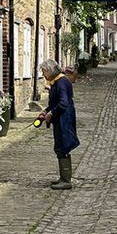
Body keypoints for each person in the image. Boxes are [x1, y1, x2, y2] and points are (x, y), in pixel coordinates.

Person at [37, 60, 79, 190]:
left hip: (64, 118)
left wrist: (51, 113)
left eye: (44, 71)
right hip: (60, 118)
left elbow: (63, 103)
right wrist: (45, 111)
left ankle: (66, 180)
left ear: (50, 70)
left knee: (63, 145)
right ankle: (63, 177)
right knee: (60, 145)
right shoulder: (56, 81)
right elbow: (55, 103)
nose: (43, 75)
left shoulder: (61, 82)